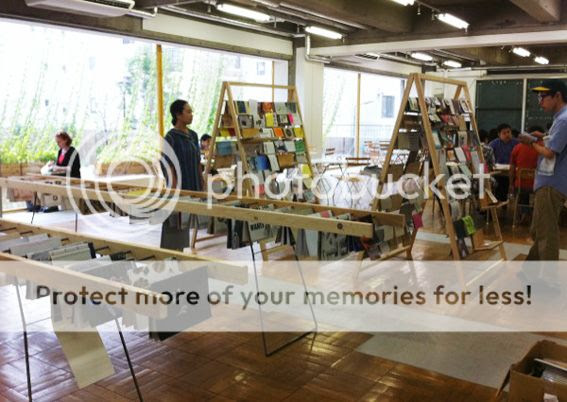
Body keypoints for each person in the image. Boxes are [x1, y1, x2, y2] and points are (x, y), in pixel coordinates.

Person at [521, 80, 567, 260]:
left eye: (543, 97)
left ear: (557, 96)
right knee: (539, 229)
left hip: (551, 183)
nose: (540, 102)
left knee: (546, 232)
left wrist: (531, 142)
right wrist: (544, 137)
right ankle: (529, 269)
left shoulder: (563, 120)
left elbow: (549, 153)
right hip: (550, 182)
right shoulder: (560, 118)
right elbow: (556, 143)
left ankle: (547, 275)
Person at [160, 99, 202, 250]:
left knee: (186, 222)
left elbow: (197, 161)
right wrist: (174, 188)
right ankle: (172, 254)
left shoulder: (193, 135)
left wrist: (202, 183)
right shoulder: (170, 137)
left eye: (191, 112)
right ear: (178, 115)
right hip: (179, 187)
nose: (191, 115)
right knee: (175, 223)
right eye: (188, 112)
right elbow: (167, 164)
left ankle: (180, 253)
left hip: (193, 184)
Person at [509, 126, 542, 223]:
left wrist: (511, 184)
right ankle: (532, 214)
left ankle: (524, 213)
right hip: (537, 185)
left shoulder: (517, 147)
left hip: (520, 184)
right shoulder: (543, 148)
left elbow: (511, 168)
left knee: (521, 192)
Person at [490, 123, 519, 201]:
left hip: (513, 172)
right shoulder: (494, 143)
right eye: (504, 133)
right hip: (499, 172)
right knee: (500, 184)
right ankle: (501, 202)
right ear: (499, 134)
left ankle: (509, 202)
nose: (507, 135)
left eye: (508, 132)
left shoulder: (516, 143)